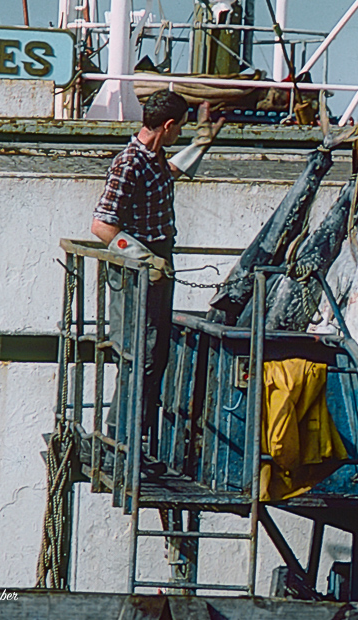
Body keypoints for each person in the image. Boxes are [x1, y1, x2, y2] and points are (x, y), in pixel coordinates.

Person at [90, 90, 224, 448]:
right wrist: (144, 257)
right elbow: (102, 226)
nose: (180, 132)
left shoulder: (153, 158)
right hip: (138, 272)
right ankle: (122, 438)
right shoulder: (129, 163)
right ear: (166, 126)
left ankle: (137, 434)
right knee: (139, 353)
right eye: (180, 128)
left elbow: (169, 174)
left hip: (157, 265)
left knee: (155, 351)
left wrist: (200, 145)